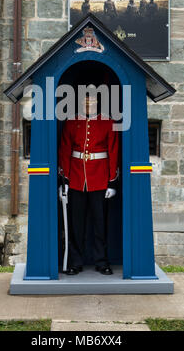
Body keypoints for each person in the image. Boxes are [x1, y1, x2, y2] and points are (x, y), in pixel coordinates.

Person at [58, 92, 119, 276]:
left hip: (100, 179)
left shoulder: (108, 122)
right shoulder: (71, 121)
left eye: (92, 101)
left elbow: (113, 151)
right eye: (86, 101)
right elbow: (65, 150)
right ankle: (76, 262)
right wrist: (65, 179)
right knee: (76, 225)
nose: (89, 104)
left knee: (100, 225)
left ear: (98, 102)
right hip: (76, 179)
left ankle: (101, 261)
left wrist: (111, 183)